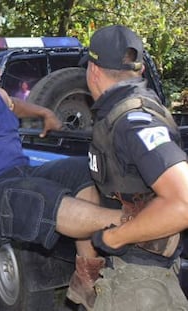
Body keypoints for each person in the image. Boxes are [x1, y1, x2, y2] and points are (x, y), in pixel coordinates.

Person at [0, 32, 126, 305]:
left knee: (82, 169)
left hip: (21, 173)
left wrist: (45, 113)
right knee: (40, 196)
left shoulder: (0, 96)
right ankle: (135, 226)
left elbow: (16, 106)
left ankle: (86, 277)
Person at [74, 25, 188, 310]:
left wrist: (113, 238)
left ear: (94, 71)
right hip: (132, 272)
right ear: (139, 71)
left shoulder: (133, 120)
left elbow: (184, 202)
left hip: (141, 282)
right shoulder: (122, 115)